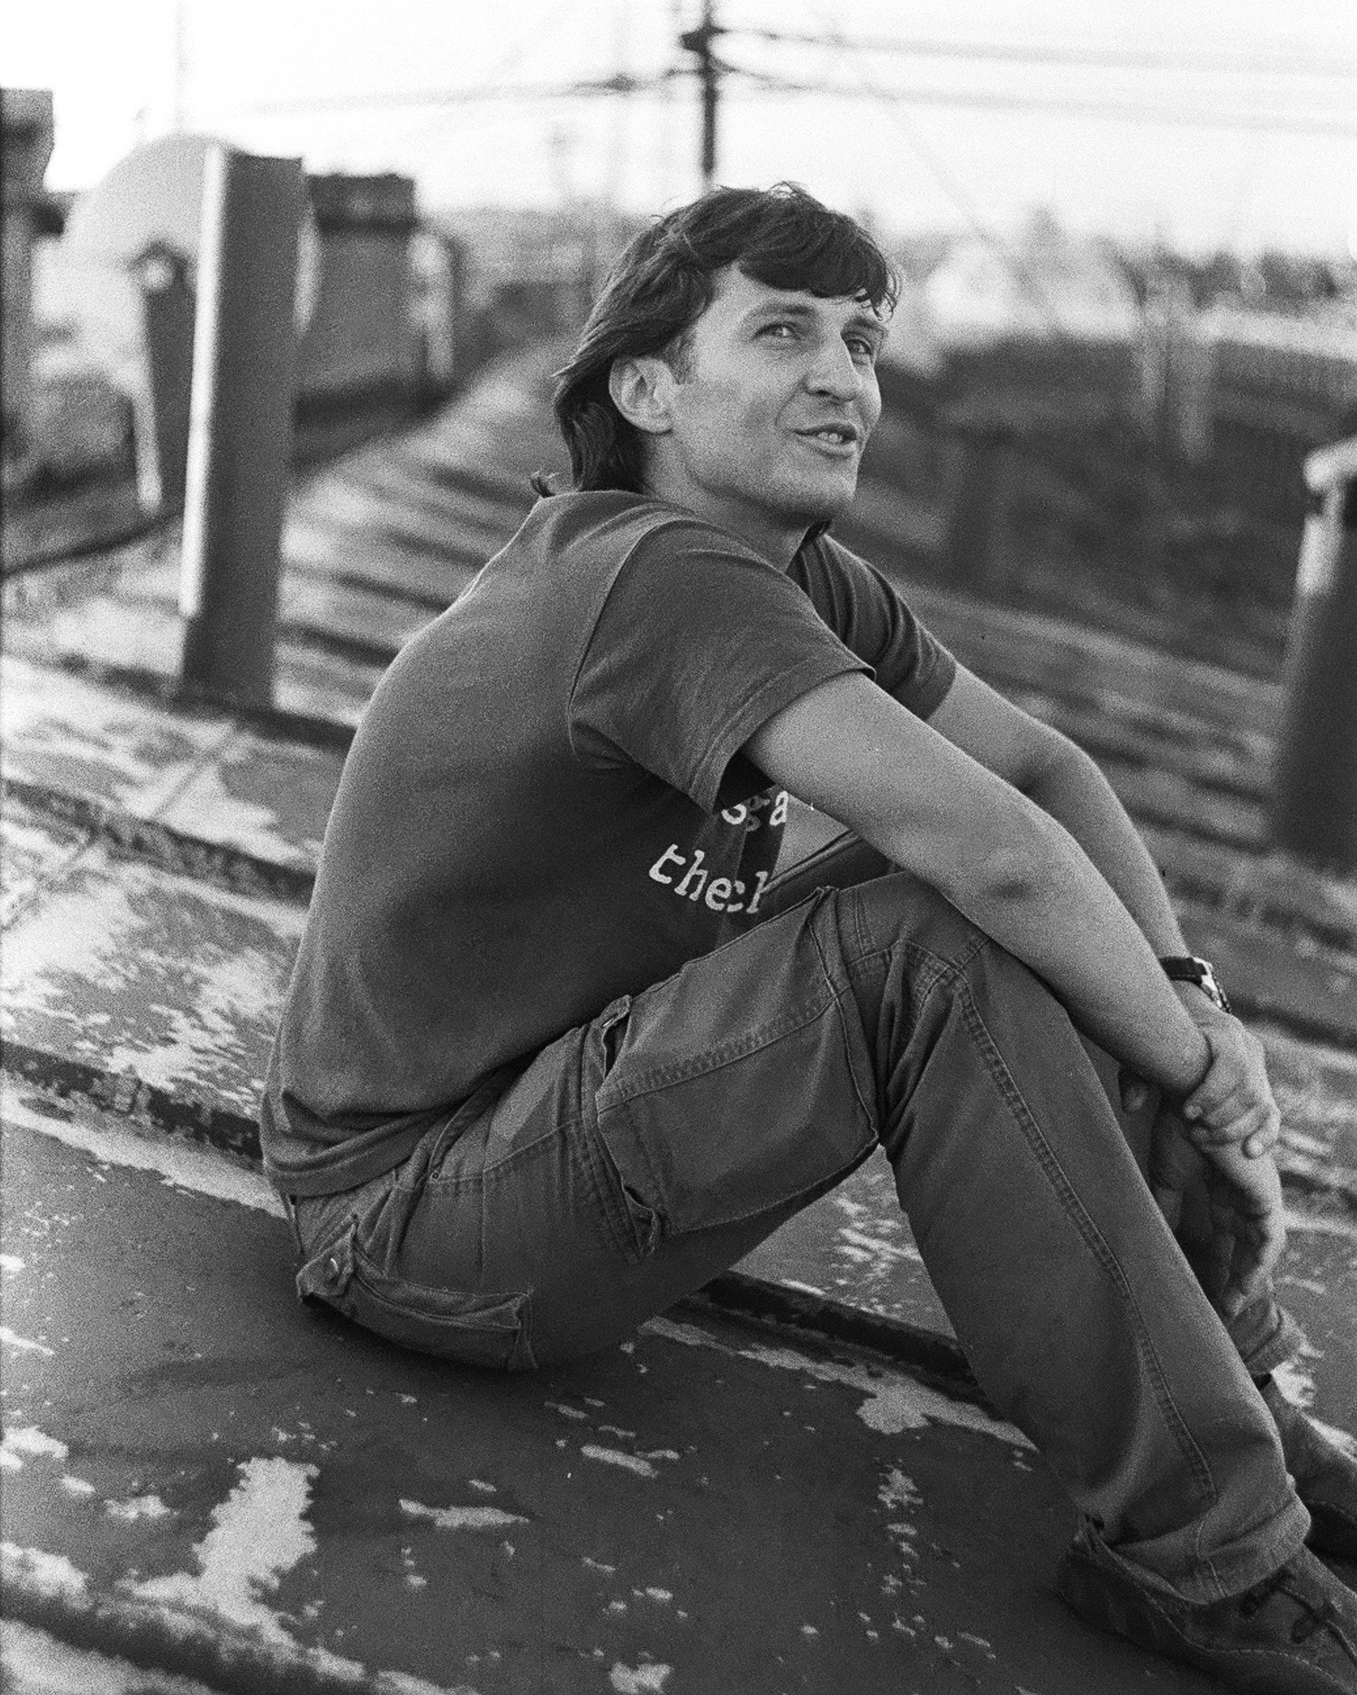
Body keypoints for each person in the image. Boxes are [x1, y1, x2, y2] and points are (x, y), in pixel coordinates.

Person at [261, 183, 1357, 1691]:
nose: (845, 377)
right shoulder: (644, 572)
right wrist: (1208, 1077)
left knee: (1063, 940)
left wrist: (1186, 1002)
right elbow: (995, 855)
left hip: (544, 1114)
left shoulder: (796, 576)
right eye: (783, 333)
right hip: (413, 1214)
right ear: (646, 391)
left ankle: (1231, 1387)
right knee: (940, 936)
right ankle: (1213, 1559)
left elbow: (1044, 780)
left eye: (861, 340)